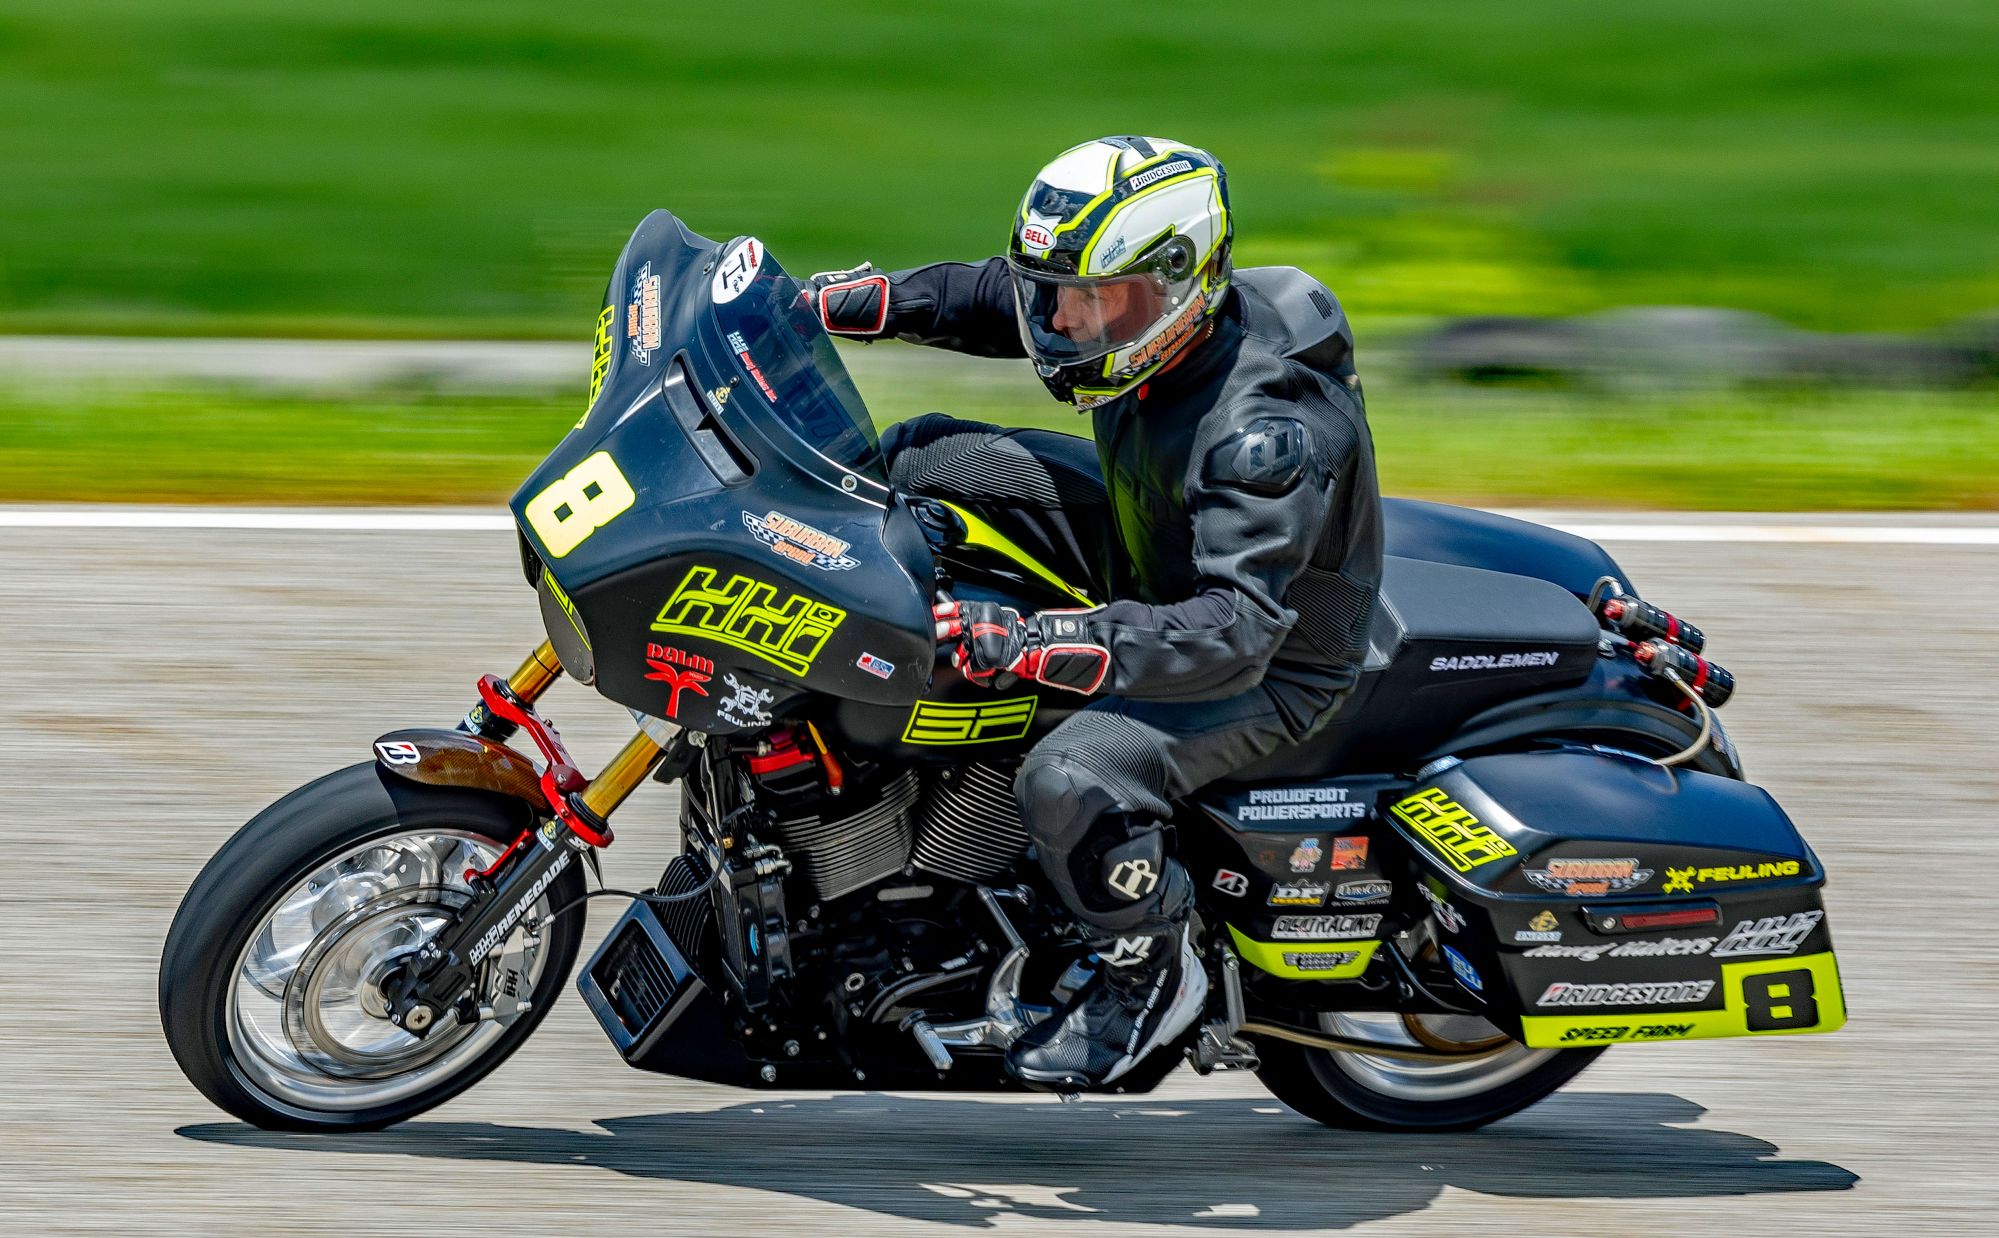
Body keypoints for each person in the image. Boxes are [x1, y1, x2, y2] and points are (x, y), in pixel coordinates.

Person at [806, 136, 1382, 1089]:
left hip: (1264, 659)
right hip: (1153, 544)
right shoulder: (1149, 324)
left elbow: (1233, 629)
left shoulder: (1262, 436)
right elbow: (994, 296)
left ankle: (1153, 973)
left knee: (1070, 775)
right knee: (921, 455)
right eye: (1056, 292)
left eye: (1092, 298)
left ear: (1178, 281)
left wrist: (1037, 641)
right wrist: (850, 304)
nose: (1063, 320)